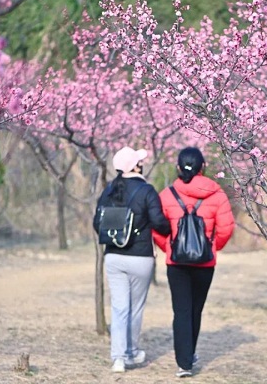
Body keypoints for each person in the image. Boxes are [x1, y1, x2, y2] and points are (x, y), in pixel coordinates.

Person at [152, 147, 235, 378]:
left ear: (178, 167)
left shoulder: (167, 195)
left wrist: (168, 246)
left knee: (181, 311)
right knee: (195, 310)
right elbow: (227, 228)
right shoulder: (217, 195)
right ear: (203, 168)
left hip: (176, 263)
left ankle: (184, 363)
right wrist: (212, 247)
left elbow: (157, 227)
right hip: (205, 263)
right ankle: (190, 354)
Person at [93, 146, 171, 373]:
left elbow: (97, 224)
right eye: (139, 161)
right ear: (136, 166)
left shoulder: (108, 190)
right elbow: (159, 222)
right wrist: (169, 230)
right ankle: (131, 352)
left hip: (113, 257)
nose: (142, 163)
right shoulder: (147, 191)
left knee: (119, 309)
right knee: (135, 309)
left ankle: (118, 358)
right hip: (140, 257)